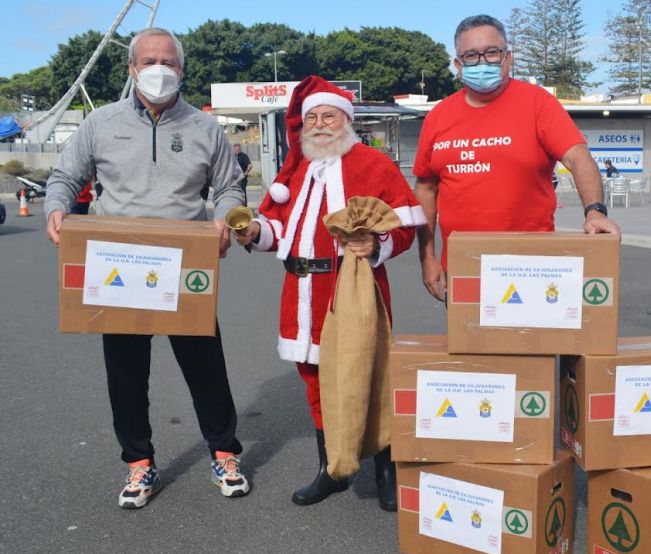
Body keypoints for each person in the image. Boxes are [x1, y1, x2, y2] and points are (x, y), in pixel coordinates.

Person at [43, 27, 250, 509]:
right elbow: (65, 176)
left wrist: (223, 221)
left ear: (181, 68)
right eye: (149, 60)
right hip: (118, 267)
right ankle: (138, 462)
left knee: (206, 368)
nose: (160, 69)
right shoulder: (100, 123)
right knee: (126, 374)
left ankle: (223, 452)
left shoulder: (205, 127)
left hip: (184, 267)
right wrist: (56, 206)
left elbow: (230, 187)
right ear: (132, 68)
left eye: (169, 62)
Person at [234, 76, 424, 510]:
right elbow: (277, 229)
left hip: (352, 287)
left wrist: (377, 244)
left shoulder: (374, 165)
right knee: (316, 381)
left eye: (329, 116)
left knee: (373, 375)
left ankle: (386, 470)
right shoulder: (296, 170)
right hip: (300, 290)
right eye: (312, 118)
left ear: (347, 121)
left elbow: (406, 228)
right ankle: (332, 468)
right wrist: (255, 232)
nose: (319, 125)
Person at [414, 14, 619, 300]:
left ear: (507, 57)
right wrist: (427, 258)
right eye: (471, 55)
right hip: (464, 266)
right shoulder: (438, 117)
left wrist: (595, 211)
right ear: (458, 65)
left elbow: (578, 157)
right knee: (472, 344)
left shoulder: (537, 103)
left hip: (532, 266)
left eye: (492, 52)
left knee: (532, 344)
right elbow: (426, 189)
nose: (482, 62)